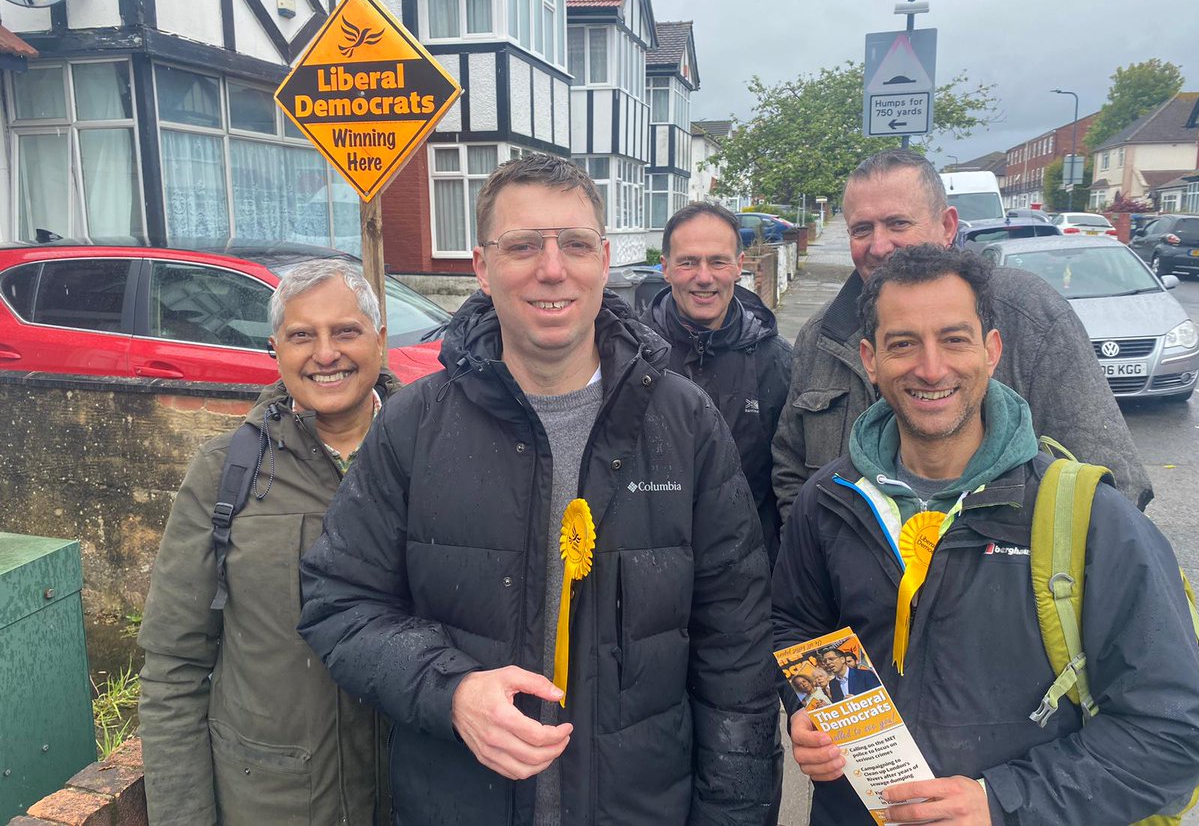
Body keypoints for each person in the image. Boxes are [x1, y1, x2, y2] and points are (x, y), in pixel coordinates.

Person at [297, 154, 781, 825]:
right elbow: (337, 601)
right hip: (459, 803)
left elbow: (736, 654)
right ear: (481, 265)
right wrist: (450, 690)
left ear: (604, 260)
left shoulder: (686, 422)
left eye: (575, 245)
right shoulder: (414, 424)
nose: (552, 269)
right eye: (522, 245)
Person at [772, 244, 1199, 825]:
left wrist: (1000, 803)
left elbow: (1174, 733)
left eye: (954, 339)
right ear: (869, 360)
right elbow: (799, 628)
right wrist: (812, 707)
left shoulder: (1090, 519)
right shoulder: (828, 502)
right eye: (903, 344)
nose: (930, 367)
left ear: (992, 351)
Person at [138, 259, 399, 825]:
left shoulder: (431, 460)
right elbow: (174, 667)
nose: (325, 353)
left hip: (412, 799)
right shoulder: (223, 473)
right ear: (275, 349)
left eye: (346, 331)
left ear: (380, 341)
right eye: (302, 335)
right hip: (274, 805)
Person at [771, 149, 1153, 522]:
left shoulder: (1031, 315)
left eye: (898, 223)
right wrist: (817, 558)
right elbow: (791, 468)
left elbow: (1111, 485)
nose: (879, 245)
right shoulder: (822, 335)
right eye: (862, 229)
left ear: (948, 226)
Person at [641, 202, 793, 565]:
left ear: (739, 266)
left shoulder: (777, 360)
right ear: (665, 269)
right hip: (653, 567)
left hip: (750, 569)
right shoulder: (632, 356)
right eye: (688, 262)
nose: (704, 276)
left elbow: (788, 477)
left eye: (718, 261)